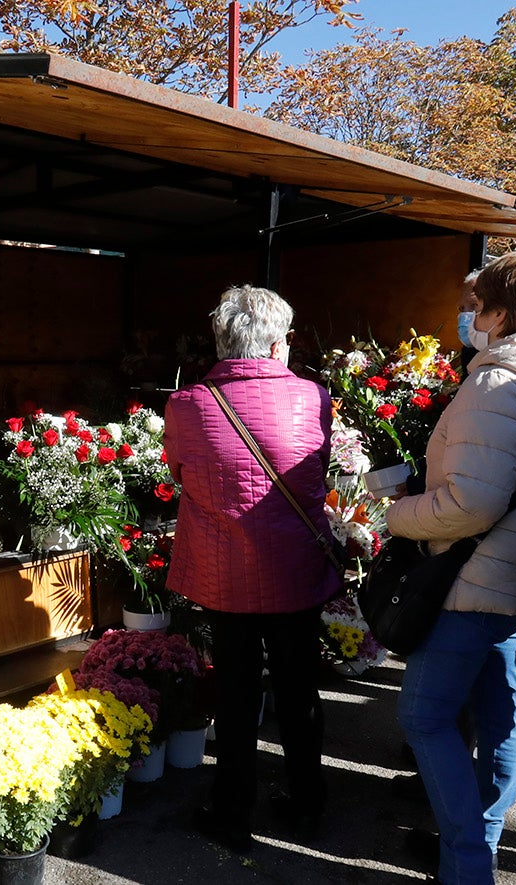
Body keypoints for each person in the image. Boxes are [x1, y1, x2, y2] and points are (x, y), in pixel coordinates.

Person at [385, 249, 516, 884]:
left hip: (471, 580)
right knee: (503, 714)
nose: (469, 318)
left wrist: (397, 516)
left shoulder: (497, 384)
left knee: (425, 717)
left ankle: (468, 864)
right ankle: (482, 845)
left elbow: (471, 503)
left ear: (502, 313)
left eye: (476, 308)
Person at [163, 284, 342, 854]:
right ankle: (307, 804)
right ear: (273, 343)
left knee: (237, 695)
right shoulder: (315, 397)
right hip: (296, 571)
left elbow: (181, 473)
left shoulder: (186, 404)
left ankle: (233, 811)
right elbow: (321, 467)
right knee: (300, 691)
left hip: (226, 575)